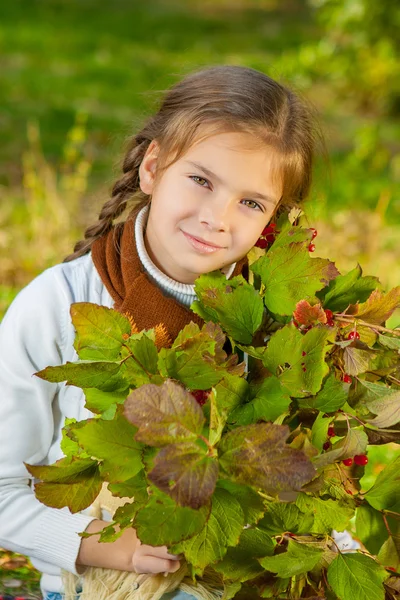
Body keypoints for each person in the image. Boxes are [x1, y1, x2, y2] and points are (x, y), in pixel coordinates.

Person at [0, 65, 321, 600]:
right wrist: (109, 546)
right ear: (152, 167)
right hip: (107, 584)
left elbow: (294, 473)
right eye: (201, 180)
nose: (217, 217)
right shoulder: (57, 305)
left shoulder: (274, 325)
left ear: (273, 220)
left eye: (250, 202)